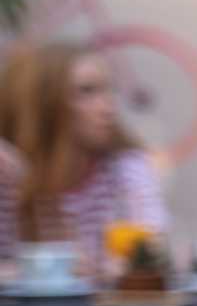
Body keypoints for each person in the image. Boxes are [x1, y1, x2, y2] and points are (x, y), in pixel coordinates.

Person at [0, 43, 167, 274]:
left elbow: (150, 260)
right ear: (41, 102)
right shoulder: (7, 174)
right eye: (87, 92)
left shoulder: (126, 168)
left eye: (109, 90)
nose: (109, 107)